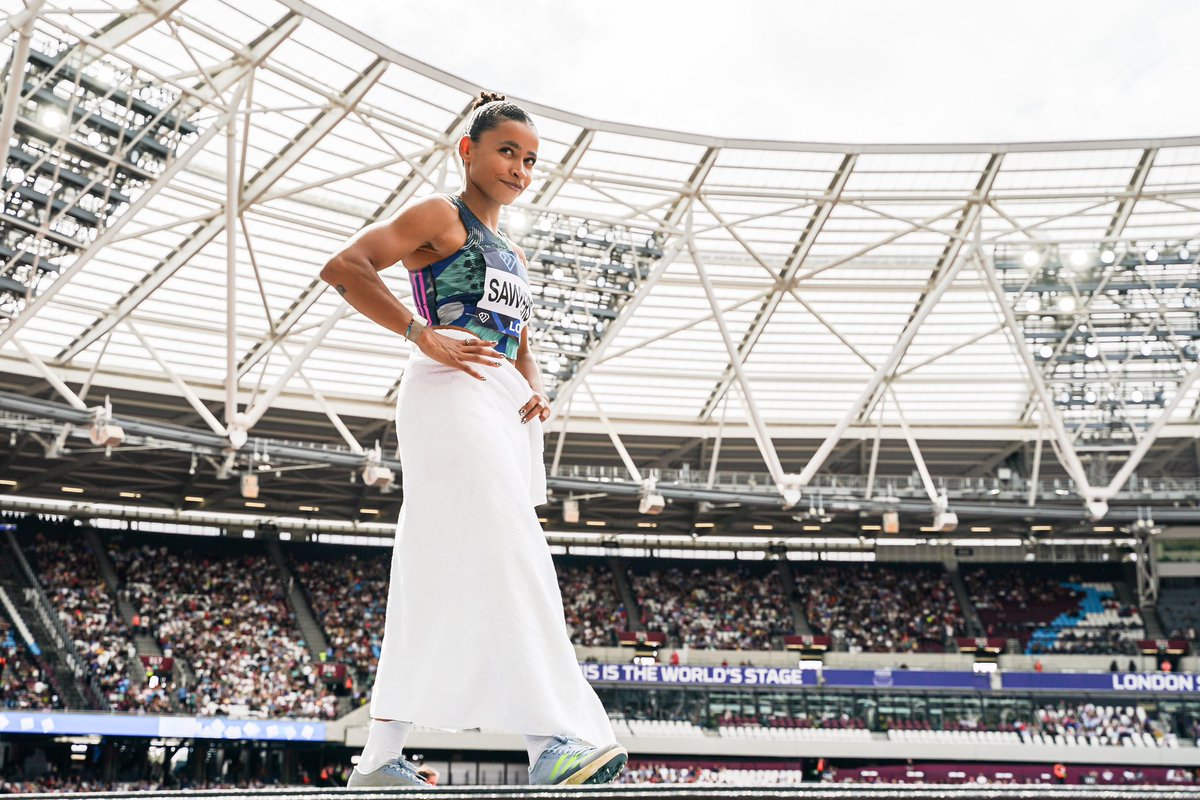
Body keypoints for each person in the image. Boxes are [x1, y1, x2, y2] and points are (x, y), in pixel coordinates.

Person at [320, 91, 627, 788]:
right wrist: (418, 333)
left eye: (530, 159)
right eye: (507, 152)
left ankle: (376, 760)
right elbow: (346, 267)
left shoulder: (512, 251)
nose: (520, 167)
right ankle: (552, 741)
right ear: (469, 150)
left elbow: (518, 338)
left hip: (500, 405)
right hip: (447, 389)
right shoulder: (440, 215)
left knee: (432, 565)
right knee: (510, 552)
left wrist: (533, 383)